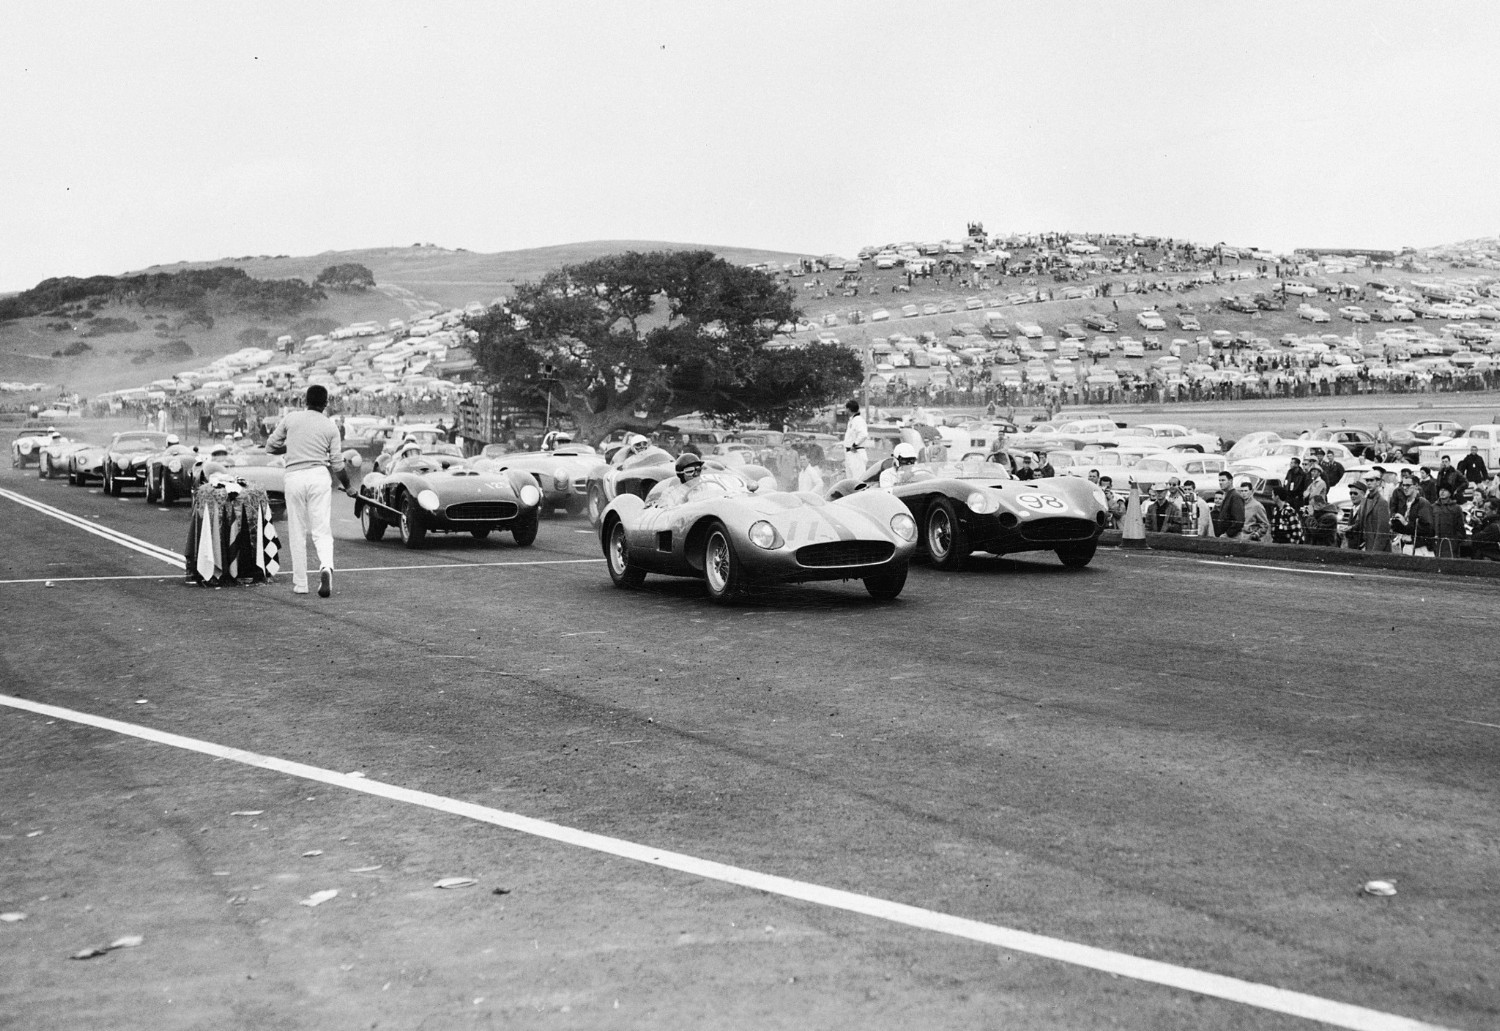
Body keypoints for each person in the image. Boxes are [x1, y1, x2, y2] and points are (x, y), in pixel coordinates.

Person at [265, 385, 351, 597]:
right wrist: (348, 486)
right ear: (325, 403)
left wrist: (291, 446)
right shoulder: (331, 427)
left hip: (294, 476)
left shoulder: (291, 419)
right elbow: (338, 464)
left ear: (305, 401)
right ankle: (326, 567)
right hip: (319, 476)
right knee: (321, 529)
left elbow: (270, 446)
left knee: (297, 531)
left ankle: (301, 583)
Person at [1431, 485, 1467, 557]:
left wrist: (1455, 541)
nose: (1442, 492)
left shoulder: (1456, 508)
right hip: (1435, 543)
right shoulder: (1433, 507)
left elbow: (1460, 528)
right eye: (1441, 490)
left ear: (1450, 493)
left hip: (1451, 544)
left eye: (1445, 490)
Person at [1212, 470, 1245, 538]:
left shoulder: (1235, 496)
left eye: (1223, 480)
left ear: (1230, 481)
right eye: (1219, 480)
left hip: (1233, 537)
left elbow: (1239, 521)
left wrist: (1228, 534)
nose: (1220, 483)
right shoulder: (1227, 495)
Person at [842, 400, 869, 480]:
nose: (845, 411)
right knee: (850, 480)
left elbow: (863, 434)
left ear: (849, 409)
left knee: (858, 479)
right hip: (850, 454)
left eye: (846, 408)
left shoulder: (858, 420)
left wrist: (855, 444)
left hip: (856, 453)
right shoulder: (852, 420)